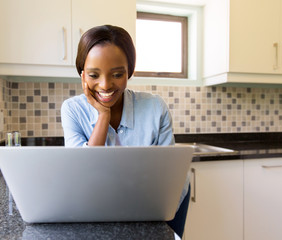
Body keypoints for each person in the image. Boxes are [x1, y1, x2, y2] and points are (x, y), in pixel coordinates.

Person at [61, 24, 190, 237]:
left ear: (130, 71)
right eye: (94, 75)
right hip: (98, 210)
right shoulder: (72, 110)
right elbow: (82, 176)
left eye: (117, 74)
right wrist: (103, 115)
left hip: (152, 211)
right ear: (82, 75)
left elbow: (169, 178)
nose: (105, 85)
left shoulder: (156, 107)